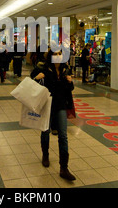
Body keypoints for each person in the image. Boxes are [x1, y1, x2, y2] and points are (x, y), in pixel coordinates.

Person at [31, 49, 76, 181]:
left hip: (61, 105)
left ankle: (64, 168)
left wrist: (70, 82)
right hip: (47, 104)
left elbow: (69, 89)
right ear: (50, 56)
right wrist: (36, 78)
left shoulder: (65, 69)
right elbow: (31, 83)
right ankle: (45, 154)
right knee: (45, 132)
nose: (57, 56)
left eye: (59, 54)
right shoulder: (44, 68)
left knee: (63, 135)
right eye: (55, 54)